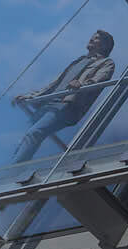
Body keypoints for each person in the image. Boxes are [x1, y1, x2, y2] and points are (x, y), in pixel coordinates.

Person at [13, 30, 116, 160]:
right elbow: (55, 84)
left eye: (96, 39)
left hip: (66, 105)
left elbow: (98, 80)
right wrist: (31, 96)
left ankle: (12, 171)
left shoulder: (106, 63)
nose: (91, 39)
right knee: (25, 138)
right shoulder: (79, 60)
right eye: (92, 37)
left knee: (34, 133)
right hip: (48, 103)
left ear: (104, 46)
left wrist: (81, 85)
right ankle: (9, 171)